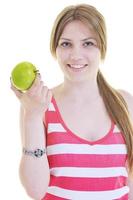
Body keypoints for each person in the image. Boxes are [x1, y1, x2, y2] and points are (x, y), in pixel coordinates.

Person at [11, 3, 133, 200]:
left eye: (88, 43)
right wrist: (32, 117)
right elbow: (35, 190)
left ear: (102, 47)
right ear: (55, 49)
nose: (76, 55)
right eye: (66, 44)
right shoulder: (39, 105)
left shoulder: (125, 103)